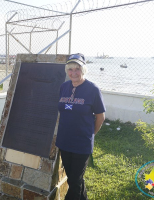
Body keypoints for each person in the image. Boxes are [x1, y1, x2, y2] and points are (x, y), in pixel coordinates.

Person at [56, 53, 106, 200]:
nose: (74, 73)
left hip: (81, 143)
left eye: (77, 69)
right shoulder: (64, 87)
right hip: (64, 141)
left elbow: (100, 117)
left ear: (83, 69)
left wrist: (90, 134)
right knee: (73, 178)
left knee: (75, 180)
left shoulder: (92, 89)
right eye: (70, 69)